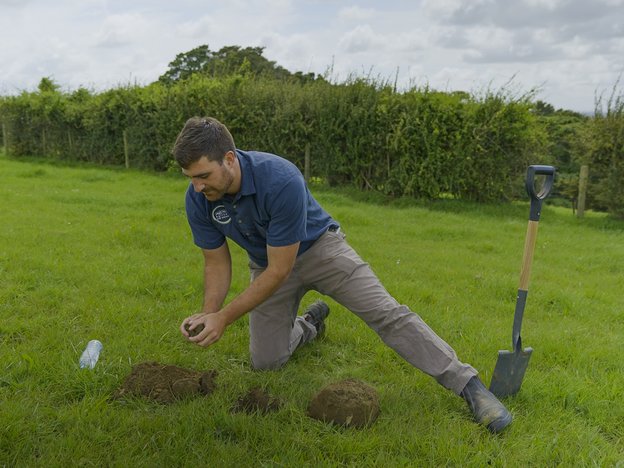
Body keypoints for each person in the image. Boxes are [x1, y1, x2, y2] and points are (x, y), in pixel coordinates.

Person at [173, 116, 512, 433]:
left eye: (204, 176)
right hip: (267, 265)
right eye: (191, 178)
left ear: (229, 159)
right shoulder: (199, 199)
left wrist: (226, 318)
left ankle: (470, 386)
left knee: (387, 314)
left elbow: (281, 269)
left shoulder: (280, 178)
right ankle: (308, 325)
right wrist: (210, 312)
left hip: (321, 251)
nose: (198, 186)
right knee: (266, 362)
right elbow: (216, 262)